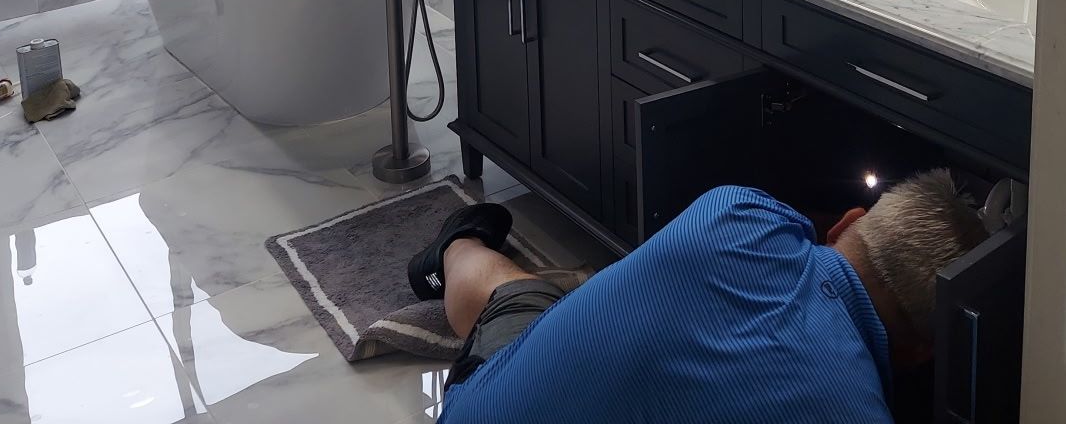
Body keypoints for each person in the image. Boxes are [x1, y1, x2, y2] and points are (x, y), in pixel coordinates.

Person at [408, 169, 987, 423]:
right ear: (920, 353)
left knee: (522, 298)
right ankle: (454, 244)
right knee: (526, 301)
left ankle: (460, 247)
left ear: (846, 223)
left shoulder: (739, 213)